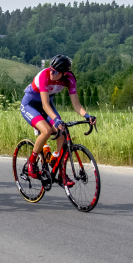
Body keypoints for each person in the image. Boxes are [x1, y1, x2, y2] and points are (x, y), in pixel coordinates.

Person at [20, 54, 96, 187]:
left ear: (64, 73)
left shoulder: (70, 79)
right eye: (51, 69)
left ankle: (60, 170)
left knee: (63, 132)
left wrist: (87, 116)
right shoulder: (44, 75)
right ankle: (32, 162)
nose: (51, 73)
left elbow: (76, 105)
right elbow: (44, 105)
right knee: (47, 130)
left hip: (48, 105)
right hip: (31, 105)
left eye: (55, 72)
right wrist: (56, 120)